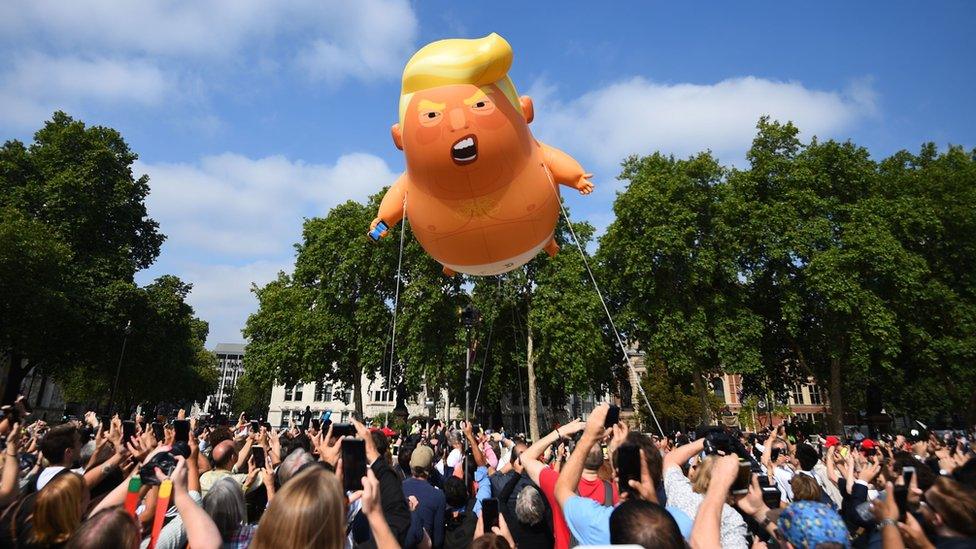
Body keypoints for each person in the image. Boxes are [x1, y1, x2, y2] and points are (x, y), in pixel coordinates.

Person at [553, 403, 693, 546]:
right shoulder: (681, 523)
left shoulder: (601, 524)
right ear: (658, 474)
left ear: (616, 475)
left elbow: (562, 489)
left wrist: (588, 437)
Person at [402, 445, 446, 549]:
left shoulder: (397, 487)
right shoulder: (438, 496)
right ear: (431, 467)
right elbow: (438, 540)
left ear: (410, 464)